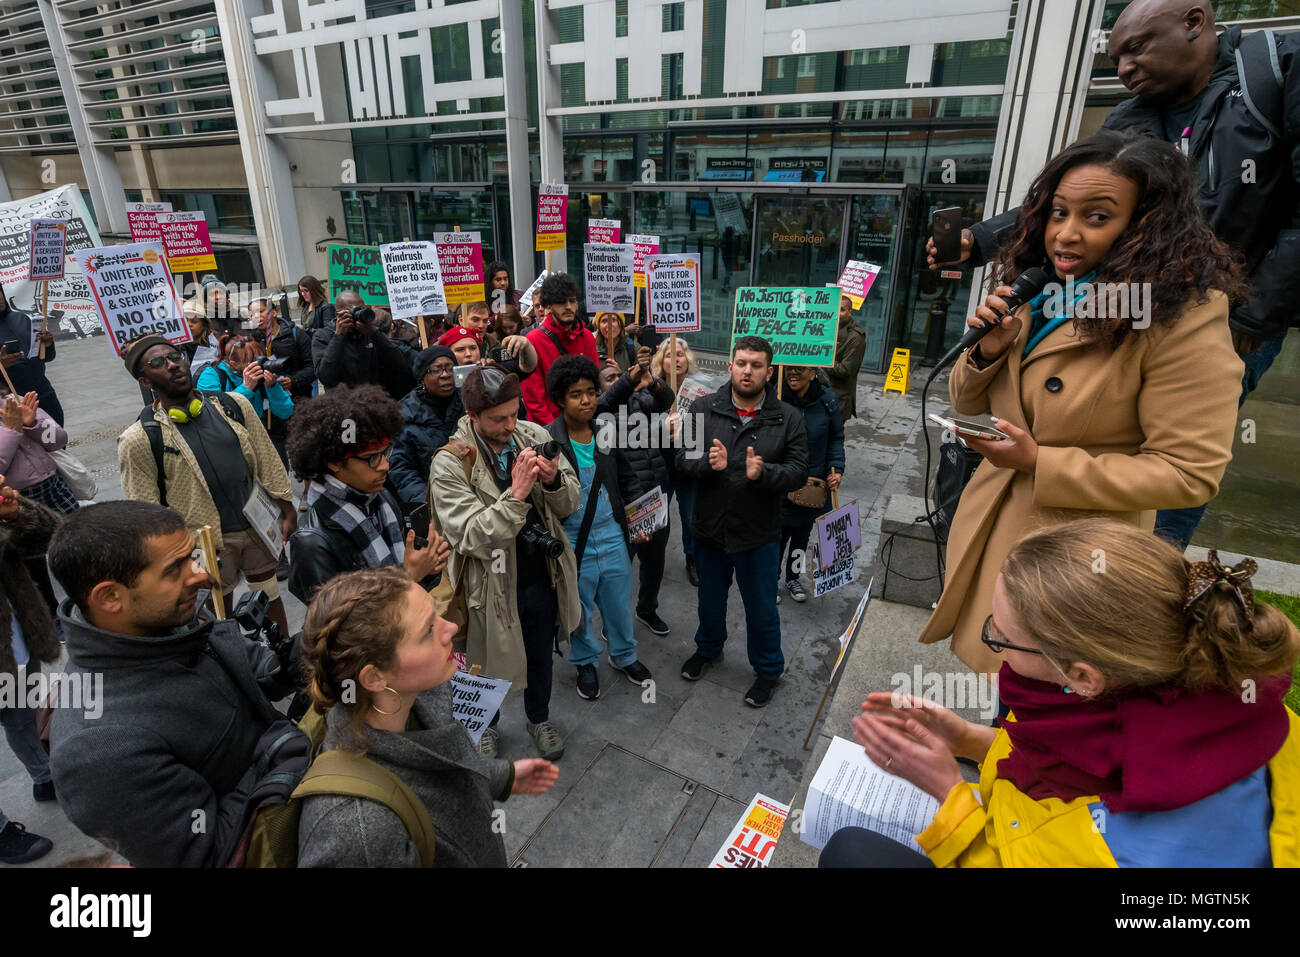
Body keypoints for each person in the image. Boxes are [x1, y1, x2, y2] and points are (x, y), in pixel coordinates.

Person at [929, 1, 1300, 550]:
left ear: (1195, 22)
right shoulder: (1131, 119)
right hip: (1121, 303)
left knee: (1157, 472)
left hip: (1228, 314)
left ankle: (1130, 586)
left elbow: (1183, 472)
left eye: (1137, 48)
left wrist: (1248, 318)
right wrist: (978, 244)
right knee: (1075, 419)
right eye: (1115, 56)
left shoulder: (1276, 72)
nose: (1123, 68)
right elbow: (1059, 203)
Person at [918, 131, 1247, 676]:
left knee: (1047, 681)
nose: (1065, 234)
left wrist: (1040, 464)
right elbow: (963, 396)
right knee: (1001, 670)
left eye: (1097, 217)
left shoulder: (1181, 316)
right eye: (1058, 213)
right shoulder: (1038, 289)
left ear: (1148, 225)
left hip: (1079, 554)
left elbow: (1189, 473)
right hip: (992, 523)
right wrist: (987, 353)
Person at [827, 518, 1300, 868]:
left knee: (849, 853)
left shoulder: (1125, 850)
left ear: (1083, 676)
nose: (989, 639)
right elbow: (1063, 769)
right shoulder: (1157, 693)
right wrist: (969, 739)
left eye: (1001, 635)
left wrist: (948, 793)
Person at [47, 501, 308, 868]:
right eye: (175, 570)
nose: (201, 575)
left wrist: (321, 644)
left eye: (192, 557)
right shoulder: (97, 749)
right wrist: (282, 748)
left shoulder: (169, 624)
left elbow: (258, 669)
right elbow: (209, 856)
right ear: (109, 598)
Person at [296, 566, 558, 867]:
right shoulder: (360, 832)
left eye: (437, 614)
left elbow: (440, 765)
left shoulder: (417, 698)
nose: (451, 629)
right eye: (428, 631)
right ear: (375, 678)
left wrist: (501, 777)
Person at [428, 365, 580, 761]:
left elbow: (570, 503)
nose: (511, 424)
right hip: (487, 585)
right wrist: (515, 495)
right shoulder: (449, 463)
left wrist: (552, 483)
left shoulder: (534, 435)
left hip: (539, 574)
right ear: (472, 416)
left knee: (540, 654)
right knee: (483, 664)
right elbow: (469, 535)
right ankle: (485, 726)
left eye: (515, 413)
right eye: (499, 419)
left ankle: (539, 718)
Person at [117, 334, 298, 640]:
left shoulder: (233, 404)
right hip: (202, 542)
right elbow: (144, 512)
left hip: (255, 525)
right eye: (159, 363)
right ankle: (235, 666)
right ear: (146, 382)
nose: (173, 365)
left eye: (175, 357)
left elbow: (267, 456)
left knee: (270, 597)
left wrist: (287, 505)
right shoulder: (138, 439)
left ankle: (284, 658)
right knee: (217, 613)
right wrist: (169, 559)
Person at [676, 336, 809, 707]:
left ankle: (768, 671)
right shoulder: (703, 408)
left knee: (762, 609)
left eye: (756, 365)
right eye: (741, 363)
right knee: (710, 601)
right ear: (730, 366)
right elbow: (681, 459)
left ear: (769, 372)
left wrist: (765, 473)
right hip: (710, 531)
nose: (747, 370)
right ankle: (708, 649)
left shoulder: (788, 418)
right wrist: (706, 464)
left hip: (759, 534)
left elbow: (799, 472)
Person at [545, 355, 653, 700]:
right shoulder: (548, 441)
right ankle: (585, 661)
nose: (587, 400)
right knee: (577, 607)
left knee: (619, 600)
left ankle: (624, 655)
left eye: (591, 392)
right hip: (572, 537)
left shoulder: (607, 433)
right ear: (561, 399)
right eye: (576, 394)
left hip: (612, 533)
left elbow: (629, 480)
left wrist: (639, 523)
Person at [286, 385, 448, 604]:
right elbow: (339, 627)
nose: (384, 465)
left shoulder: (379, 498)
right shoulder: (312, 543)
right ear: (334, 462)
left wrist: (428, 566)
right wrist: (409, 577)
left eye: (385, 453)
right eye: (372, 458)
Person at [0, 479, 59, 864]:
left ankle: (44, 776)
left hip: (15, 636)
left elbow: (47, 539)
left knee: (21, 713)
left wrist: (18, 515)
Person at [776, 366, 845, 604]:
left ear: (813, 373)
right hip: (783, 480)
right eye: (790, 369)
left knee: (801, 535)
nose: (792, 373)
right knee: (778, 534)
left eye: (800, 369)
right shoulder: (777, 397)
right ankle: (771, 578)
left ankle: (793, 577)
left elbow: (836, 437)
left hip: (814, 485)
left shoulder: (827, 400)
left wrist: (836, 469)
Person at [390, 346, 466, 513]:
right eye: (436, 370)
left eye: (449, 368)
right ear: (422, 378)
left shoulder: (470, 401)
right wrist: (430, 504)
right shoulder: (403, 416)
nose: (445, 375)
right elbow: (402, 471)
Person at [522, 273, 599, 425]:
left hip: (582, 425)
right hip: (549, 430)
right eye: (561, 302)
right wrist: (558, 432)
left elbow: (593, 386)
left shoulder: (587, 337)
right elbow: (534, 399)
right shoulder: (533, 341)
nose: (568, 307)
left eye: (572, 301)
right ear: (549, 306)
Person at [654, 337, 700, 586]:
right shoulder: (652, 388)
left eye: (680, 354)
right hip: (661, 463)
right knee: (658, 516)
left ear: (687, 359)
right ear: (662, 361)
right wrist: (661, 427)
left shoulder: (701, 387)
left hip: (689, 464)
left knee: (691, 516)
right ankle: (654, 560)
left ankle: (692, 558)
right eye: (670, 355)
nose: (676, 359)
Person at [311, 291, 415, 400]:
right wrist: (339, 336)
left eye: (361, 309)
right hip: (342, 406)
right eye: (353, 310)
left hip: (374, 403)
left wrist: (375, 334)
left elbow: (399, 365)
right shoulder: (323, 336)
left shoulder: (370, 332)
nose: (358, 314)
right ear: (338, 314)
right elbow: (326, 377)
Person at [2, 391, 76, 515]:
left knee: (75, 529)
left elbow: (59, 440)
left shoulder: (17, 401)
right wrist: (11, 430)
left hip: (54, 487)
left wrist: (33, 423)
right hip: (15, 499)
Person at [0, 281, 61, 426]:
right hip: (15, 406)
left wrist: (47, 345)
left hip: (45, 397)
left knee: (58, 442)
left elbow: (45, 358)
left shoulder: (21, 318)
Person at [827, 294, 866, 420]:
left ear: (850, 312)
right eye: (835, 308)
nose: (837, 313)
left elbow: (846, 370)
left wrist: (821, 358)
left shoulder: (855, 337)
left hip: (838, 398)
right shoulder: (827, 327)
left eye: (842, 310)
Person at [180, 299, 220, 380]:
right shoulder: (174, 347)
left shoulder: (217, 345)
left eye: (194, 321)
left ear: (204, 325)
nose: (188, 324)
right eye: (184, 321)